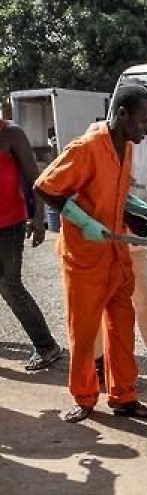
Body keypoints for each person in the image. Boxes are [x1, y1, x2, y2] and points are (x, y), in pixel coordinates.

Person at [34, 84, 147, 423]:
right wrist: (81, 221)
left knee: (122, 325)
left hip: (115, 255)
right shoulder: (88, 147)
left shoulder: (127, 146)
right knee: (85, 331)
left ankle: (124, 396)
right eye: (143, 121)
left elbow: (114, 194)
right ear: (122, 114)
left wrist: (145, 213)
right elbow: (45, 187)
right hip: (85, 256)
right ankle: (85, 398)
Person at [93, 127, 147, 403]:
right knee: (98, 304)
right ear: (125, 113)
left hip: (139, 241)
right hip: (104, 238)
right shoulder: (99, 139)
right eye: (144, 116)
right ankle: (99, 366)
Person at [0, 120, 63, 371]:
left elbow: (36, 180)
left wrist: (38, 218)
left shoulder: (10, 134)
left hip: (9, 225)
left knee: (10, 286)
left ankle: (47, 346)